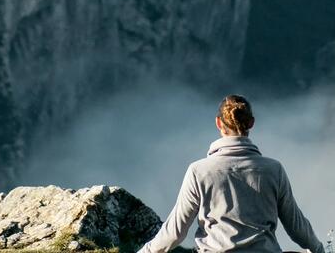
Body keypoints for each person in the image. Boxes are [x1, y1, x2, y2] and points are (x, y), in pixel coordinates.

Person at [137, 95, 325, 253]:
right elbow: (296, 227)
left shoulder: (199, 171)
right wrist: (320, 250)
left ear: (218, 123)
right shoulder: (273, 170)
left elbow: (175, 232)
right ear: (251, 123)